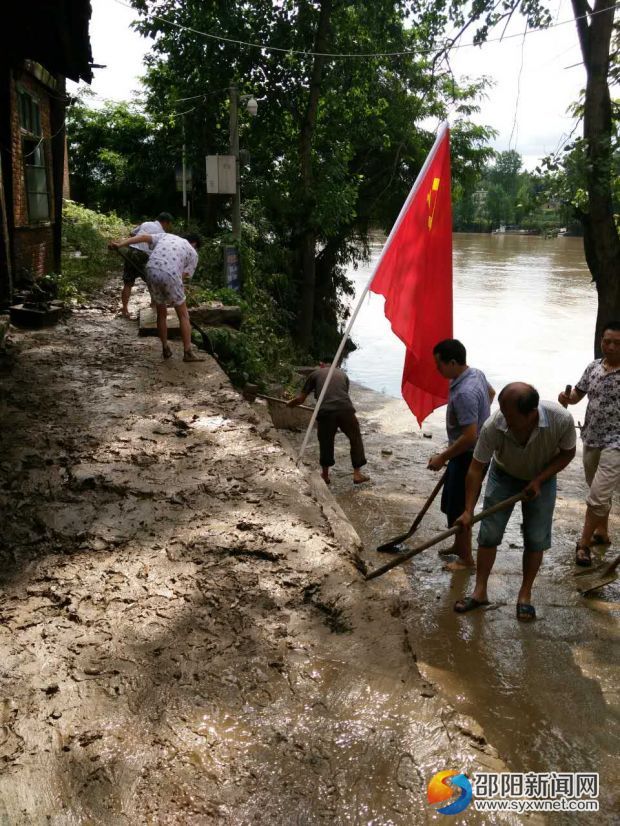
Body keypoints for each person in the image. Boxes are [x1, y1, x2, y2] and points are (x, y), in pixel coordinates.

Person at [453, 383, 576, 621]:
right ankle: (479, 592)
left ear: (531, 413)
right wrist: (468, 511)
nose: (504, 418)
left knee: (536, 538)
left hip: (543, 478)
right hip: (503, 474)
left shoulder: (560, 420)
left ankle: (525, 595)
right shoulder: (494, 424)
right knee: (489, 534)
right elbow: (476, 468)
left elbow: (568, 453)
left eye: (510, 414)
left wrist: (540, 480)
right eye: (502, 410)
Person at [428, 339, 495, 571]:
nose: (437, 370)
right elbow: (491, 393)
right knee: (452, 503)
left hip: (468, 455)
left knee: (460, 508)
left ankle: (466, 559)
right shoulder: (475, 373)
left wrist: (442, 457)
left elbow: (469, 436)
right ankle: (459, 546)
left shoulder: (464, 393)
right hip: (471, 453)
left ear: (453, 362)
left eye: (439, 365)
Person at [558, 321, 620, 567]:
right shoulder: (593, 367)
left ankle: (583, 544)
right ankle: (602, 533)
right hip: (591, 437)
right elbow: (577, 395)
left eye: (617, 343)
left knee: (597, 496)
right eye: (607, 341)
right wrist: (566, 398)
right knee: (595, 487)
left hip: (617, 443)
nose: (611, 347)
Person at [109, 232, 203, 362]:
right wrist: (175, 288)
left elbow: (142, 237)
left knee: (161, 313)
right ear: (194, 244)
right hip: (170, 274)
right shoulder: (193, 253)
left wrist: (120, 244)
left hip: (150, 270)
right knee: (183, 315)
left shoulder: (166, 236)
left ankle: (165, 348)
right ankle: (187, 352)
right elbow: (183, 276)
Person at [287, 360, 369, 485]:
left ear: (321, 365)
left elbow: (301, 399)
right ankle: (357, 474)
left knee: (326, 441)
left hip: (326, 411)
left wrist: (291, 403)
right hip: (345, 410)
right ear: (335, 365)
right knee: (355, 438)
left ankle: (325, 475)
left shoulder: (314, 374)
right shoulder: (343, 375)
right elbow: (342, 395)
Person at [118, 212, 173, 318]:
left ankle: (124, 309)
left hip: (131, 252)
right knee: (152, 281)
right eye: (169, 224)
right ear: (166, 222)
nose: (169, 227)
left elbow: (132, 234)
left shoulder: (146, 223)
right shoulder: (160, 232)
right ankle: (154, 305)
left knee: (128, 283)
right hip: (143, 255)